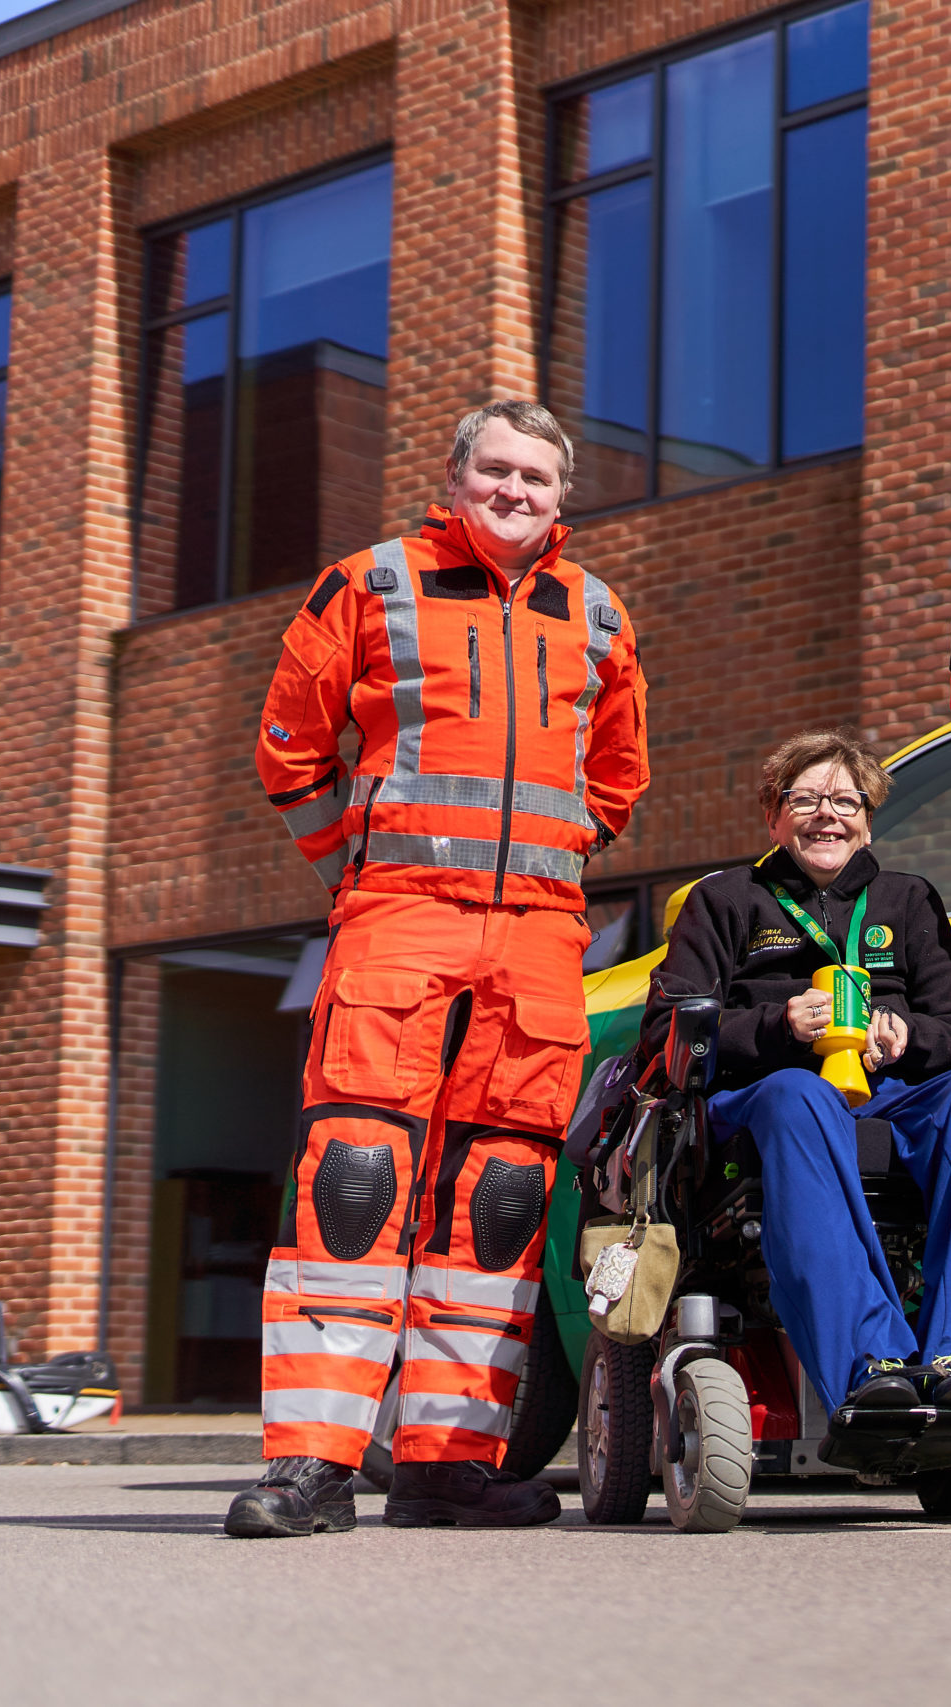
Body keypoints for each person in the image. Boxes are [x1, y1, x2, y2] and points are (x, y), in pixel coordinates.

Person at [231, 399, 651, 1537]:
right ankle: (312, 1466)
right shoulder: (368, 584)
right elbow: (287, 747)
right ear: (455, 479)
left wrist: (546, 865)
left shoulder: (598, 614)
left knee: (504, 1197)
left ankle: (446, 1461)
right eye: (498, 473)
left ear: (564, 496)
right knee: (353, 1177)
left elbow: (615, 779)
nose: (518, 493)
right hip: (398, 918)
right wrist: (359, 869)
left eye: (539, 479)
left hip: (536, 936)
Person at [640, 730, 951, 1419]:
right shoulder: (727, 900)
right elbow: (665, 1030)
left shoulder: (907, 900)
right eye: (807, 798)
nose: (829, 815)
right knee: (801, 1093)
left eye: (846, 801)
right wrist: (776, 1025)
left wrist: (910, 1034)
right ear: (773, 814)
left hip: (889, 1094)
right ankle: (869, 1357)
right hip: (768, 1100)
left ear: (869, 818)